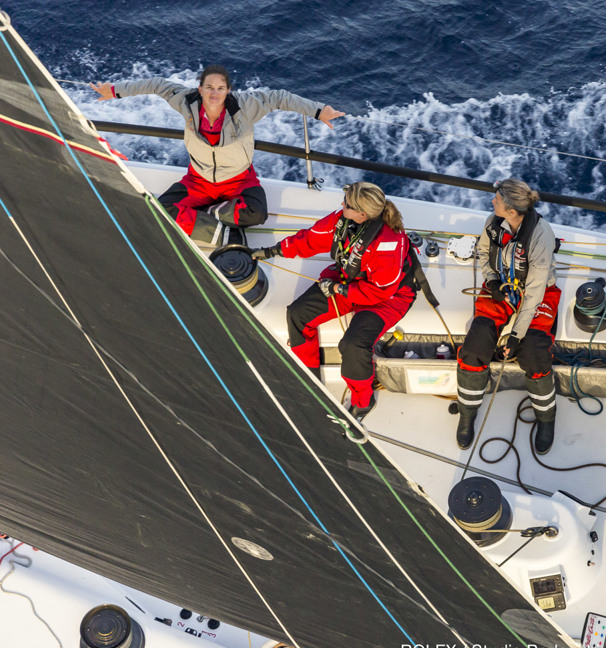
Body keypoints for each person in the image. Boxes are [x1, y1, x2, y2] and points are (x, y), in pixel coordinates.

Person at [91, 66, 343, 244]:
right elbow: (156, 85)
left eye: (220, 88)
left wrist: (319, 111)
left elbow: (279, 98)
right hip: (198, 181)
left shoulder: (246, 106)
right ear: (199, 89)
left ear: (228, 90)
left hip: (238, 181)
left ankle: (209, 214)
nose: (214, 93)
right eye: (209, 87)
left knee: (257, 214)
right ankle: (222, 234)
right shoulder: (186, 100)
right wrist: (114, 91)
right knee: (160, 212)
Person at [250, 182, 415, 420]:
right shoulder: (343, 220)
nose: (341, 205)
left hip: (387, 297)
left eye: (346, 203)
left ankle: (363, 401)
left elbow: (379, 291)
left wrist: (338, 288)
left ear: (362, 213)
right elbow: (310, 239)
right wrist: (271, 251)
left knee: (354, 345)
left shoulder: (390, 243)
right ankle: (309, 375)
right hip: (348, 282)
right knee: (297, 314)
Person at [455, 178, 560, 454]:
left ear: (512, 210)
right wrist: (491, 282)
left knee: (533, 352)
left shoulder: (541, 235)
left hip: (536, 295)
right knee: (475, 344)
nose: (493, 202)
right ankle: (467, 413)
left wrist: (516, 335)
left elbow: (536, 291)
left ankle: (546, 418)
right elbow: (483, 252)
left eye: (498, 200)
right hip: (502, 289)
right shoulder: (493, 222)